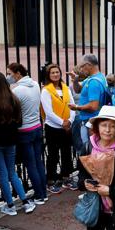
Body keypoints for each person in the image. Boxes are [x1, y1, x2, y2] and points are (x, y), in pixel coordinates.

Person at [0, 72, 36, 216]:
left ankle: (10, 205)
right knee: (12, 172)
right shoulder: (14, 100)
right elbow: (19, 122)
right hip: (11, 141)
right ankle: (25, 201)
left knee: (3, 174)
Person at [6, 62, 47, 205]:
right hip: (37, 127)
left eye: (10, 74)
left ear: (18, 73)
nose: (9, 77)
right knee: (38, 161)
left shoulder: (18, 91)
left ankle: (39, 195)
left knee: (31, 164)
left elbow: (12, 111)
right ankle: (44, 192)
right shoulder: (35, 84)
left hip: (25, 131)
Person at [41, 64, 76, 194]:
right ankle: (50, 180)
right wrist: (62, 122)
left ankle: (66, 177)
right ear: (48, 76)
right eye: (52, 73)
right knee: (53, 155)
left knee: (67, 153)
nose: (55, 74)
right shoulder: (46, 90)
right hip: (53, 127)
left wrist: (70, 121)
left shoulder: (66, 88)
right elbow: (48, 112)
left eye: (57, 72)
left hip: (66, 127)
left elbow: (72, 105)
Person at [69, 54, 108, 144]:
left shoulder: (94, 82)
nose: (81, 70)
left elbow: (93, 106)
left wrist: (77, 107)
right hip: (92, 121)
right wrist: (75, 80)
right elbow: (78, 90)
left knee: (90, 150)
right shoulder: (96, 77)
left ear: (89, 65)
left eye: (82, 66)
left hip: (91, 122)